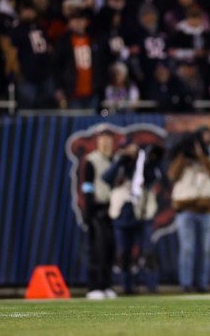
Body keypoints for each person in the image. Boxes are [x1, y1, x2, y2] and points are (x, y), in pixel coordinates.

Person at [103, 142, 162, 295]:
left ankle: (151, 285)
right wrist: (121, 161)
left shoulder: (143, 164)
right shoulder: (118, 163)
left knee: (147, 251)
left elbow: (152, 179)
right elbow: (106, 178)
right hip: (122, 214)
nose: (130, 152)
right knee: (124, 253)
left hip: (141, 213)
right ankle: (126, 286)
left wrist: (145, 163)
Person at [168, 128, 210, 293]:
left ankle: (202, 283)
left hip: (206, 209)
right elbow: (173, 175)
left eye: (207, 137)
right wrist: (184, 155)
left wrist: (200, 154)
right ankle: (186, 284)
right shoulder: (181, 155)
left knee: (205, 250)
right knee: (187, 248)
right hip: (186, 208)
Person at [81, 124, 116, 300]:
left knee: (110, 249)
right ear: (97, 141)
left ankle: (106, 284)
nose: (105, 143)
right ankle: (93, 286)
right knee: (97, 249)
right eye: (102, 139)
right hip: (97, 208)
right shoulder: (91, 160)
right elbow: (87, 187)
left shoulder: (114, 160)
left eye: (108, 140)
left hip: (112, 209)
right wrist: (89, 211)